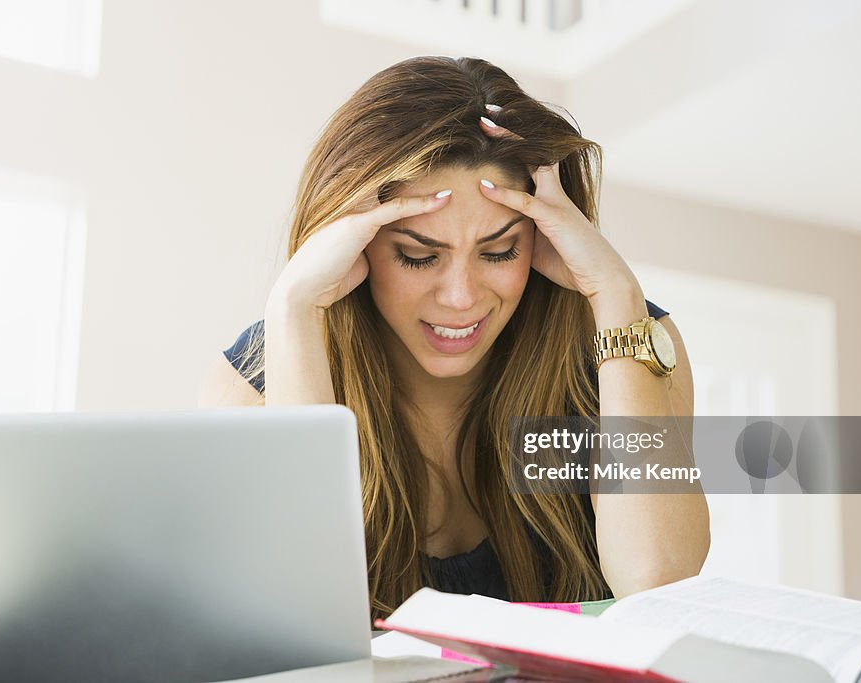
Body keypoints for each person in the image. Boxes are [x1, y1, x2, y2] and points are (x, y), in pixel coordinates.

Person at [199, 56, 709, 622]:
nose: (461, 297)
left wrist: (615, 294)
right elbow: (294, 612)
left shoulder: (630, 343)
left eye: (499, 251)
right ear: (353, 243)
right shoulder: (254, 382)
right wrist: (294, 309)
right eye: (418, 255)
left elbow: (658, 582)